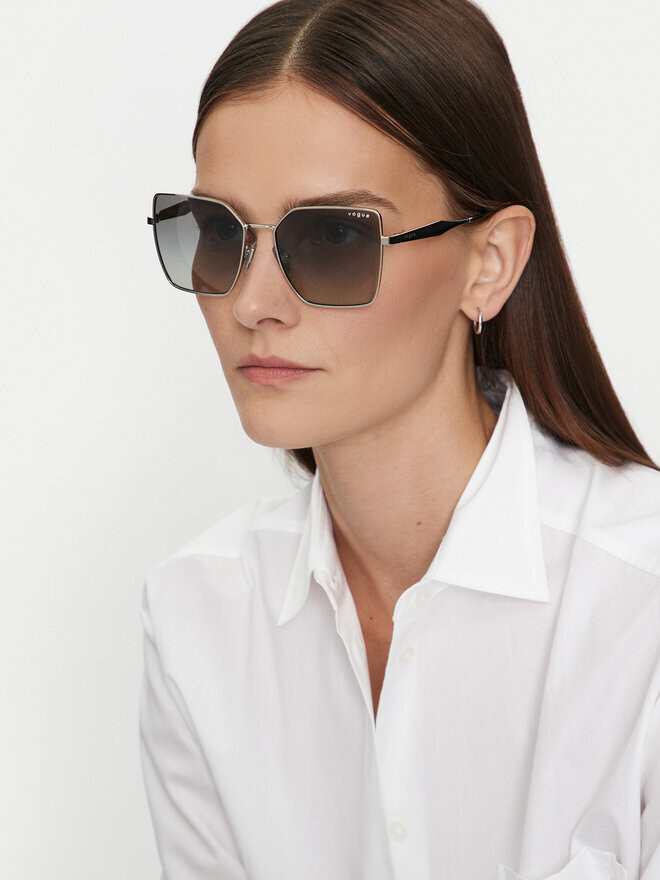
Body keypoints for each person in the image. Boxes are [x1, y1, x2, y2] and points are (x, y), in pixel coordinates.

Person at [138, 1, 660, 878]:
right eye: (219, 234)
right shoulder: (197, 615)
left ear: (488, 263)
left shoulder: (641, 608)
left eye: (333, 236)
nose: (252, 303)